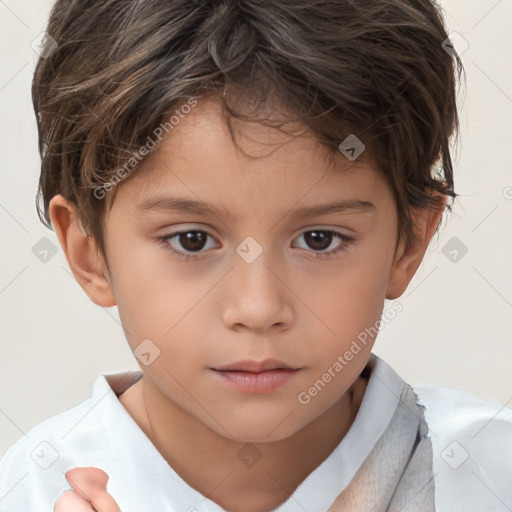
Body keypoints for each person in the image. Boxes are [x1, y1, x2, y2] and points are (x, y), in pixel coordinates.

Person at [1, 0, 511, 511]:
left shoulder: (490, 471)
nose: (258, 308)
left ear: (409, 242)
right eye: (191, 240)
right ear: (89, 253)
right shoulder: (28, 491)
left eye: (319, 240)